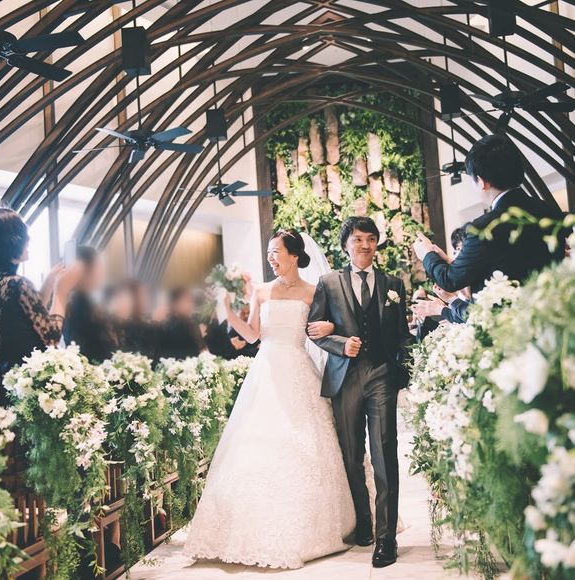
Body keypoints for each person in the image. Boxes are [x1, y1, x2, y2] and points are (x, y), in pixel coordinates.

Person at [183, 229, 355, 569]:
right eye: (268, 252)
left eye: (276, 251)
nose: (270, 258)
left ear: (294, 255)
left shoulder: (313, 291)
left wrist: (331, 329)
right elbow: (252, 335)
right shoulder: (262, 291)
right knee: (254, 443)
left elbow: (324, 329)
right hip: (266, 371)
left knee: (304, 443)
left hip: (298, 368)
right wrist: (228, 310)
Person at [307, 216, 412, 569]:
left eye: (371, 239)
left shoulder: (393, 284)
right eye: (358, 239)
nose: (365, 245)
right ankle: (363, 522)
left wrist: (403, 370)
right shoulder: (328, 283)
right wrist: (340, 344)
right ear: (345, 245)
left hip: (381, 375)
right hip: (345, 377)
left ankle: (386, 538)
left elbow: (403, 335)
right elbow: (313, 330)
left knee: (385, 453)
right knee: (352, 455)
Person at [413, 134, 566, 294]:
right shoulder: (549, 210)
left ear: (481, 181)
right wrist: (446, 260)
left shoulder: (483, 228)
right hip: (552, 304)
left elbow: (450, 280)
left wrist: (427, 254)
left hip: (508, 309)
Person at [0, 208, 80, 404]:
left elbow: (21, 319)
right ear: (12, 241)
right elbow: (51, 337)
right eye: (24, 234)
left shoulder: (1, 283)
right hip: (29, 386)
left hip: (5, 380)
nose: (29, 239)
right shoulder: (18, 284)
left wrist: (48, 286)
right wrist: (61, 293)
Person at [63, 245, 118, 363]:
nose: (102, 273)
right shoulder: (80, 306)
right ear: (84, 271)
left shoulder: (76, 302)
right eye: (98, 267)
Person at [157, 287, 205, 360]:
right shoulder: (168, 328)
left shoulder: (192, 324)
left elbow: (200, 349)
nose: (190, 305)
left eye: (191, 301)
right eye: (186, 301)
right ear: (175, 304)